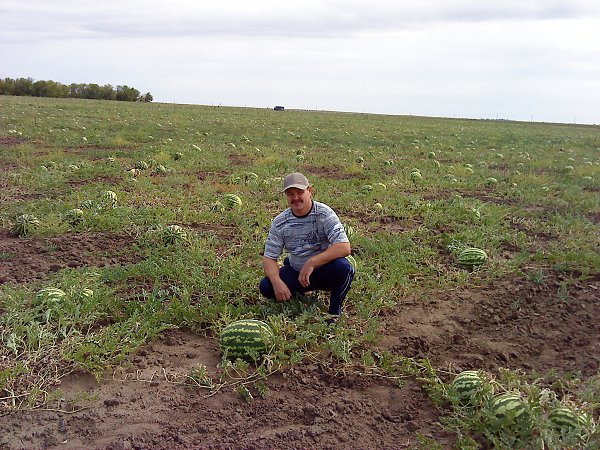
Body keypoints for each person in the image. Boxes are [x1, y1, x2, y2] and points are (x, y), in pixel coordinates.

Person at [259, 172, 355, 318]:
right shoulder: (280, 222)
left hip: (324, 271)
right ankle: (300, 294)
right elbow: (269, 258)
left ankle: (335, 312)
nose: (296, 197)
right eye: (291, 194)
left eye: (300, 192)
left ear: (310, 191)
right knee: (266, 286)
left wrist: (311, 262)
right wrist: (277, 281)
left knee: (344, 268)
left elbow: (344, 247)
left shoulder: (324, 213)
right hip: (297, 272)